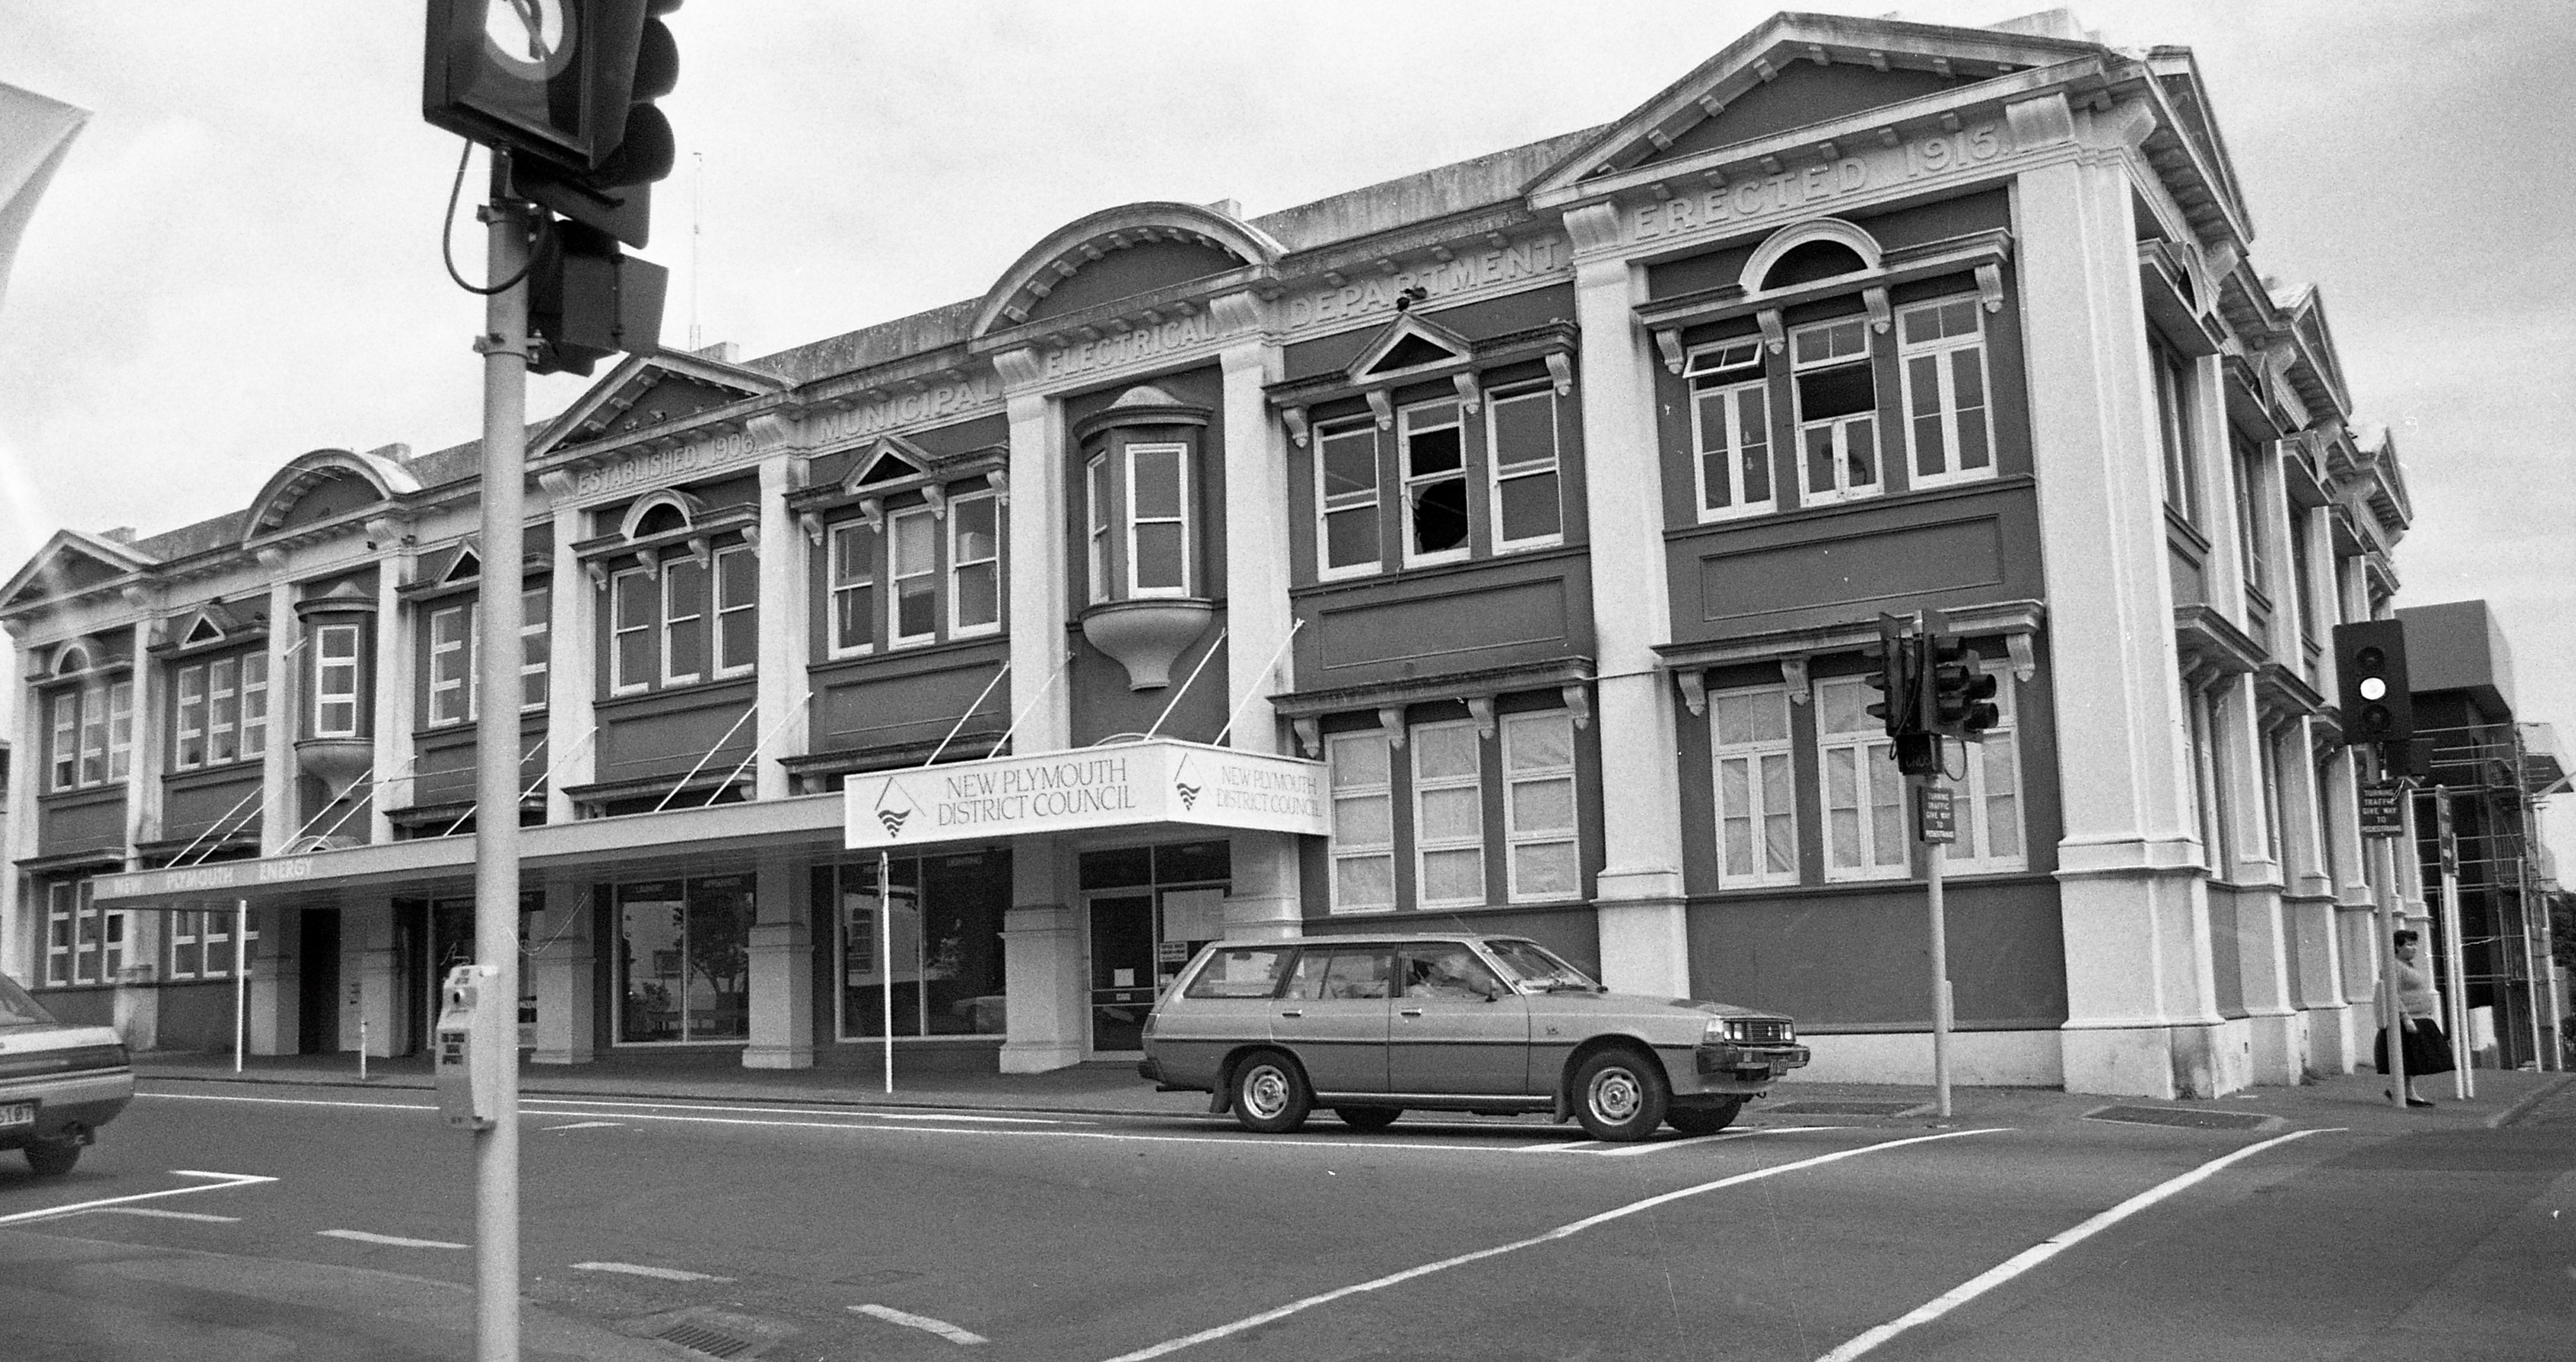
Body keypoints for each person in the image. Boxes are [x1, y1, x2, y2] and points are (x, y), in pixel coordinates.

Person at [2375, 929, 2454, 1107]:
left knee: (2412, 1060)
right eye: (2409, 945)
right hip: (2409, 1019)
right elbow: (2392, 993)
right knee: (2409, 1058)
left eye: (2415, 944)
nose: (2414, 949)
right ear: (2397, 946)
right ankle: (2402, 1092)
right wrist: (2406, 1018)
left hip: (2420, 1017)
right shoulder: (2393, 966)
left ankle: (2406, 1092)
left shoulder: (2408, 966)